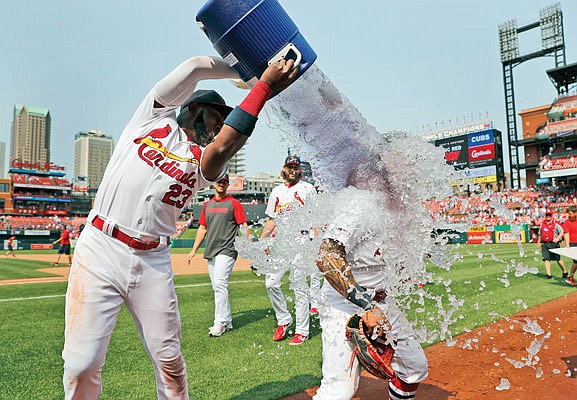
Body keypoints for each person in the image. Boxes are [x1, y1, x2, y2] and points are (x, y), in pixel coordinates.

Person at [62, 54, 297, 400]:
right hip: (101, 247)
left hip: (152, 262)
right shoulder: (150, 119)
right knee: (81, 365)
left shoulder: (203, 163)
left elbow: (226, 143)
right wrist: (249, 71)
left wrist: (262, 87)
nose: (219, 126)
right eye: (216, 117)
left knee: (170, 362)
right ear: (193, 107)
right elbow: (195, 66)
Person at [313, 168, 428, 400]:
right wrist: (366, 306)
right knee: (340, 390)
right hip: (344, 305)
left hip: (380, 304)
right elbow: (326, 256)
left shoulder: (398, 211)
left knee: (414, 368)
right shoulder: (358, 206)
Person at [260, 154, 320, 345]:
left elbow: (316, 216)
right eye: (290, 166)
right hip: (281, 242)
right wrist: (262, 241)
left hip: (302, 240)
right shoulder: (277, 191)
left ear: (300, 170)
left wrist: (316, 242)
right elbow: (271, 220)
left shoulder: (307, 188)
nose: (293, 170)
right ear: (284, 169)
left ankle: (302, 331)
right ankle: (284, 319)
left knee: (300, 287)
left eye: (296, 167)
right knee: (271, 283)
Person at [187, 174, 248, 336]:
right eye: (219, 181)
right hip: (211, 250)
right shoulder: (207, 205)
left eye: (225, 182)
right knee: (217, 287)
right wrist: (193, 250)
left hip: (227, 249)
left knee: (220, 284)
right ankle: (227, 320)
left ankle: (219, 323)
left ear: (228, 185)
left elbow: (243, 225)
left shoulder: (234, 204)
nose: (222, 184)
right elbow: (202, 229)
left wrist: (248, 244)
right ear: (214, 184)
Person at [537, 209, 568, 279]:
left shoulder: (555, 224)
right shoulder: (542, 224)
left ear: (551, 216)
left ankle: (565, 271)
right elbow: (540, 233)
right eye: (547, 215)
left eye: (549, 215)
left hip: (553, 244)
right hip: (545, 243)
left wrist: (558, 238)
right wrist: (538, 242)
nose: (548, 216)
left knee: (558, 259)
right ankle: (548, 274)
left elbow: (562, 232)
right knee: (546, 259)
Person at [562, 206, 577, 286]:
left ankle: (570, 277)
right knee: (576, 261)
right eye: (569, 213)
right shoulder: (567, 222)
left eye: (571, 213)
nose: (569, 215)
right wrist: (567, 244)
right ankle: (570, 277)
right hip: (573, 243)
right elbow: (566, 233)